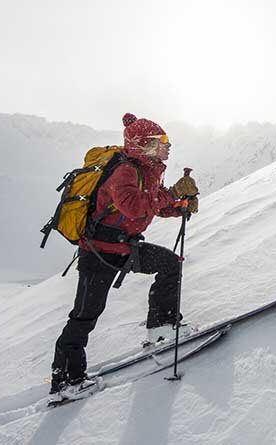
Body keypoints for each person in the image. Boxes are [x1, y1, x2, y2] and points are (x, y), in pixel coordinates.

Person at [50, 113, 200, 397]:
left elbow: (151, 205)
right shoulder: (125, 171)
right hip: (98, 253)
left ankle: (162, 329)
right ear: (143, 144)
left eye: (167, 140)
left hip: (125, 247)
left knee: (169, 264)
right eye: (161, 141)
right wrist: (173, 195)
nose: (167, 146)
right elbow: (133, 206)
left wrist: (179, 205)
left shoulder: (148, 169)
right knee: (85, 316)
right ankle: (66, 382)